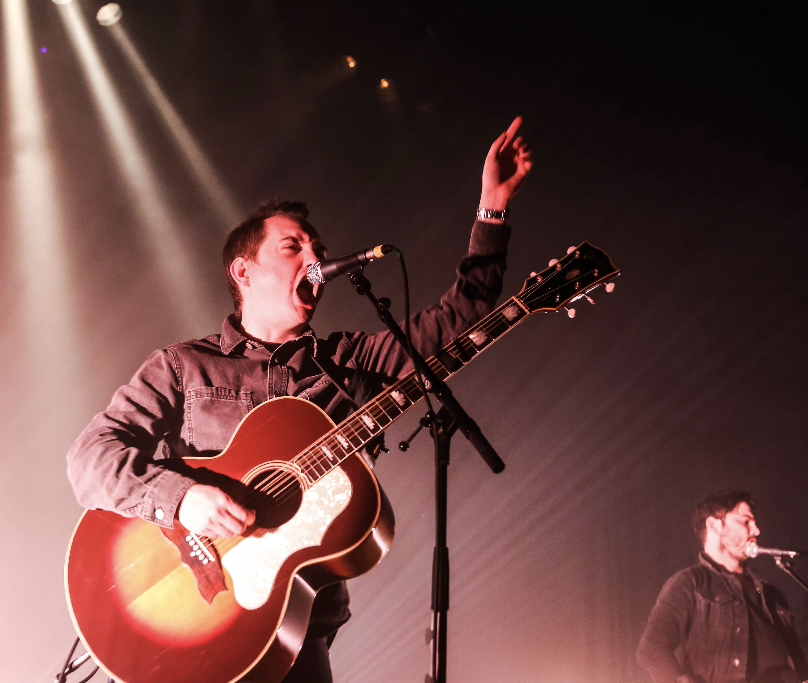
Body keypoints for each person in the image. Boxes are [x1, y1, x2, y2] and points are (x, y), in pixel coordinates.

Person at [66, 117, 532, 683]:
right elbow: (90, 457)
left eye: (319, 249)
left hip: (296, 636)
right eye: (293, 246)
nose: (314, 258)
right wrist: (182, 498)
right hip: (194, 614)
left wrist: (492, 210)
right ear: (243, 271)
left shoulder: (351, 362)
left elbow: (460, 318)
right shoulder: (183, 366)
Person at [637, 491, 808, 683]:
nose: (756, 531)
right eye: (746, 522)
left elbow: (800, 667)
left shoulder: (772, 595)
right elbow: (652, 649)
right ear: (714, 525)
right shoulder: (689, 582)